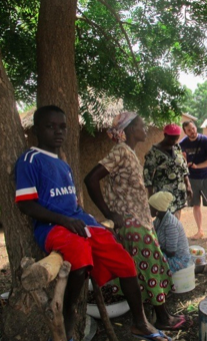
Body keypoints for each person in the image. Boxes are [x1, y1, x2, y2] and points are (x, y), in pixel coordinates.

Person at [15, 106, 170, 341]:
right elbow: (26, 205)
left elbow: (73, 206)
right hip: (52, 228)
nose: (58, 132)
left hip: (77, 223)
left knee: (125, 261)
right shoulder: (30, 160)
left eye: (63, 127)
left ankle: (140, 323)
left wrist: (91, 221)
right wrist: (65, 220)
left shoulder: (62, 164)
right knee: (79, 253)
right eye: (50, 126)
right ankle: (68, 315)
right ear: (36, 130)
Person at [85, 112, 190, 331]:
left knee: (149, 268)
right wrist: (109, 213)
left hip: (140, 222)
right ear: (131, 129)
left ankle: (154, 316)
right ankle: (158, 319)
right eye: (142, 125)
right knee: (150, 267)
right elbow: (91, 178)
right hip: (132, 224)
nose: (145, 129)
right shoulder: (121, 151)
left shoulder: (130, 153)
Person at [179, 120, 207, 240]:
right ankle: (200, 230)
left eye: (193, 128)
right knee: (195, 205)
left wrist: (198, 166)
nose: (192, 131)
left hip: (206, 177)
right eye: (189, 130)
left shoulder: (205, 141)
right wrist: (184, 160)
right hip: (191, 178)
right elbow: (181, 158)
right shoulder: (183, 143)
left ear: (195, 127)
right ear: (185, 132)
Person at [143, 124, 192, 220]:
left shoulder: (177, 147)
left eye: (176, 139)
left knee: (176, 220)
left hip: (178, 192)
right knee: (166, 221)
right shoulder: (154, 152)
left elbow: (183, 167)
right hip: (163, 193)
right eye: (171, 139)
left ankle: (175, 235)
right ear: (165, 135)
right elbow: (147, 175)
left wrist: (188, 185)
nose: (173, 141)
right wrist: (151, 199)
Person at [148, 191, 191, 273]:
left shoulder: (170, 224)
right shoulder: (158, 220)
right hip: (170, 256)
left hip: (178, 260)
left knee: (152, 260)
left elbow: (171, 252)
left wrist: (156, 249)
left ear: (157, 209)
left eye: (150, 207)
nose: (149, 210)